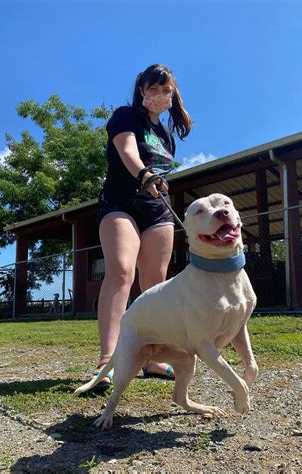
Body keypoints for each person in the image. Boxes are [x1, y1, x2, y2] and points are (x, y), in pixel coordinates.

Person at [93, 64, 192, 387]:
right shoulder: (125, 116)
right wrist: (144, 175)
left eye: (166, 90)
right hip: (121, 202)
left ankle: (152, 359)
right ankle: (108, 359)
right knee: (122, 271)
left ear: (173, 94)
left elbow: (162, 170)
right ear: (142, 91)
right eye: (153, 89)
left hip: (156, 210)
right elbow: (127, 151)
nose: (160, 95)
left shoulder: (166, 136)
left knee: (154, 285)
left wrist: (155, 182)